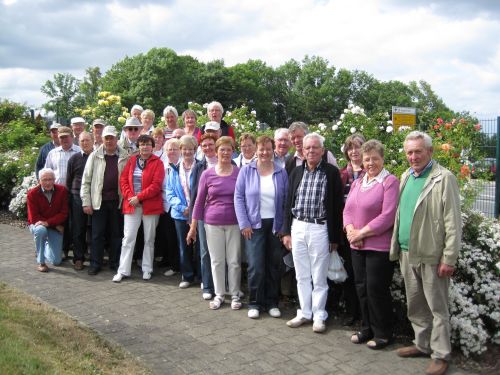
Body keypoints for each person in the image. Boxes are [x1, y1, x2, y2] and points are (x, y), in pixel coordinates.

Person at [390, 131, 461, 375]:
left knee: (437, 309)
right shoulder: (405, 176)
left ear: (430, 152)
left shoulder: (444, 178)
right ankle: (421, 344)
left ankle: (441, 355)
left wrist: (449, 258)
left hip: (431, 255)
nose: (413, 156)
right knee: (416, 305)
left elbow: (453, 222)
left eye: (418, 151)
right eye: (409, 152)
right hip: (408, 253)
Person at [282, 133, 343, 333]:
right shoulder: (296, 172)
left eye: (315, 148)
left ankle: (319, 315)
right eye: (307, 148)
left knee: (318, 276)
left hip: (319, 228)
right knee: (301, 274)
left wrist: (334, 237)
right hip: (298, 227)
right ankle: (305, 312)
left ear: (322, 151)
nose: (310, 151)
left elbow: (337, 206)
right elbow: (288, 202)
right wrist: (286, 232)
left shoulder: (331, 173)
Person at [343, 140, 399, 349]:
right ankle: (367, 328)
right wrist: (349, 230)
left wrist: (361, 232)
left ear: (382, 159)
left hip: (378, 246)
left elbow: (388, 215)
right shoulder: (358, 182)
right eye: (367, 159)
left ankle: (383, 333)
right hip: (356, 245)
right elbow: (347, 210)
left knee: (376, 289)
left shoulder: (390, 181)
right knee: (362, 288)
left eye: (375, 158)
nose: (370, 163)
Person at [234, 135, 288, 319]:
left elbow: (286, 201)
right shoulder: (246, 171)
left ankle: (272, 302)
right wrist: (244, 223)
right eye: (261, 149)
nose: (264, 152)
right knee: (256, 266)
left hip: (275, 225)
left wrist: (283, 226)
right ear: (256, 151)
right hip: (253, 225)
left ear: (273, 150)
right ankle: (255, 302)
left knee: (273, 265)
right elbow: (238, 198)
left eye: (267, 149)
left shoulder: (281, 172)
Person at [188, 136, 241, 310]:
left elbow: (244, 199)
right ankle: (219, 294)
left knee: (233, 261)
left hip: (234, 223)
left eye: (229, 149)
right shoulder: (207, 174)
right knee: (217, 261)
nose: (225, 153)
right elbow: (198, 201)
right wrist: (193, 227)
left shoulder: (239, 172)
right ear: (216, 152)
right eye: (222, 149)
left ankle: (234, 294)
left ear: (233, 151)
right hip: (211, 223)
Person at [113, 135, 165, 282]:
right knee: (128, 238)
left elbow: (156, 185)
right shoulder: (132, 161)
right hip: (132, 205)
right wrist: (131, 197)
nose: (144, 147)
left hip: (150, 206)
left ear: (152, 146)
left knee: (149, 238)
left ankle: (147, 268)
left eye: (148, 144)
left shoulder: (158, 163)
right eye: (142, 144)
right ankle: (123, 270)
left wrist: (139, 197)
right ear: (138, 146)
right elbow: (123, 180)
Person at [81, 125, 129, 275]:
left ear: (116, 139)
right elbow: (86, 181)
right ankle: (96, 263)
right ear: (102, 139)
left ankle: (115, 263)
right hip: (98, 202)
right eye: (106, 138)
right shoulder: (94, 156)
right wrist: (86, 202)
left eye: (112, 138)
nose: (109, 141)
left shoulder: (125, 156)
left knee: (116, 234)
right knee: (97, 235)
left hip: (117, 201)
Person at [329, 134, 366, 325]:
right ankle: (353, 313)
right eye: (350, 148)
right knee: (350, 275)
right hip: (346, 233)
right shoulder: (341, 174)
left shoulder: (372, 172)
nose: (354, 151)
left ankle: (366, 315)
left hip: (367, 233)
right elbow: (335, 206)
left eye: (358, 147)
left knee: (364, 277)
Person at [166, 136, 201, 289]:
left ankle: (201, 276)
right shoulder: (173, 169)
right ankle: (187, 276)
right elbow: (169, 193)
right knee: (183, 246)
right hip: (180, 214)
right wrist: (182, 208)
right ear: (180, 150)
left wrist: (194, 209)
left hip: (198, 214)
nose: (187, 151)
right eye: (184, 148)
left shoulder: (201, 167)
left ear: (195, 150)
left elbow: (204, 191)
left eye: (190, 148)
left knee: (200, 247)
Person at [189, 133, 218, 300]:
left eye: (210, 144)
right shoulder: (199, 166)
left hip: (223, 215)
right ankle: (207, 285)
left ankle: (223, 284)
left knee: (222, 253)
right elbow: (195, 193)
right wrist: (193, 218)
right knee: (205, 251)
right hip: (203, 214)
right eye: (204, 145)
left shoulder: (229, 164)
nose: (208, 148)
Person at [27, 168, 69, 272]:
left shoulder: (62, 191)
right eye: (45, 179)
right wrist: (50, 224)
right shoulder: (32, 193)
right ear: (39, 181)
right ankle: (41, 262)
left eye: (50, 179)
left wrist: (48, 223)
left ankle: (43, 245)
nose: (48, 182)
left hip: (53, 226)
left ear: (55, 180)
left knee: (56, 261)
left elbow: (64, 213)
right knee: (41, 230)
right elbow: (34, 217)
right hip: (38, 225)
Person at [66, 131, 93, 270]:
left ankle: (95, 258)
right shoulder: (74, 158)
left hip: (95, 197)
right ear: (78, 142)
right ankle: (78, 258)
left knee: (96, 229)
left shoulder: (98, 157)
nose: (85, 143)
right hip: (77, 197)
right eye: (82, 141)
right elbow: (69, 181)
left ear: (92, 141)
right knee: (78, 229)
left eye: (87, 140)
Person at [158, 138, 181, 276]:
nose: (172, 152)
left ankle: (182, 264)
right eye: (169, 149)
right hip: (166, 205)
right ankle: (173, 264)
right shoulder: (162, 165)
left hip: (180, 206)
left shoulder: (183, 165)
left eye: (175, 149)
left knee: (181, 238)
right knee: (169, 236)